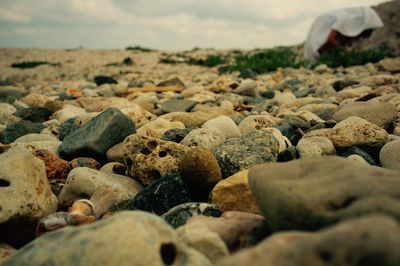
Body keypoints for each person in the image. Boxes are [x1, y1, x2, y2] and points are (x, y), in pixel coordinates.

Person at [304, 6, 383, 61]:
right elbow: (330, 41)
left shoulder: (349, 25)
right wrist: (321, 56)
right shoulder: (343, 19)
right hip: (320, 44)